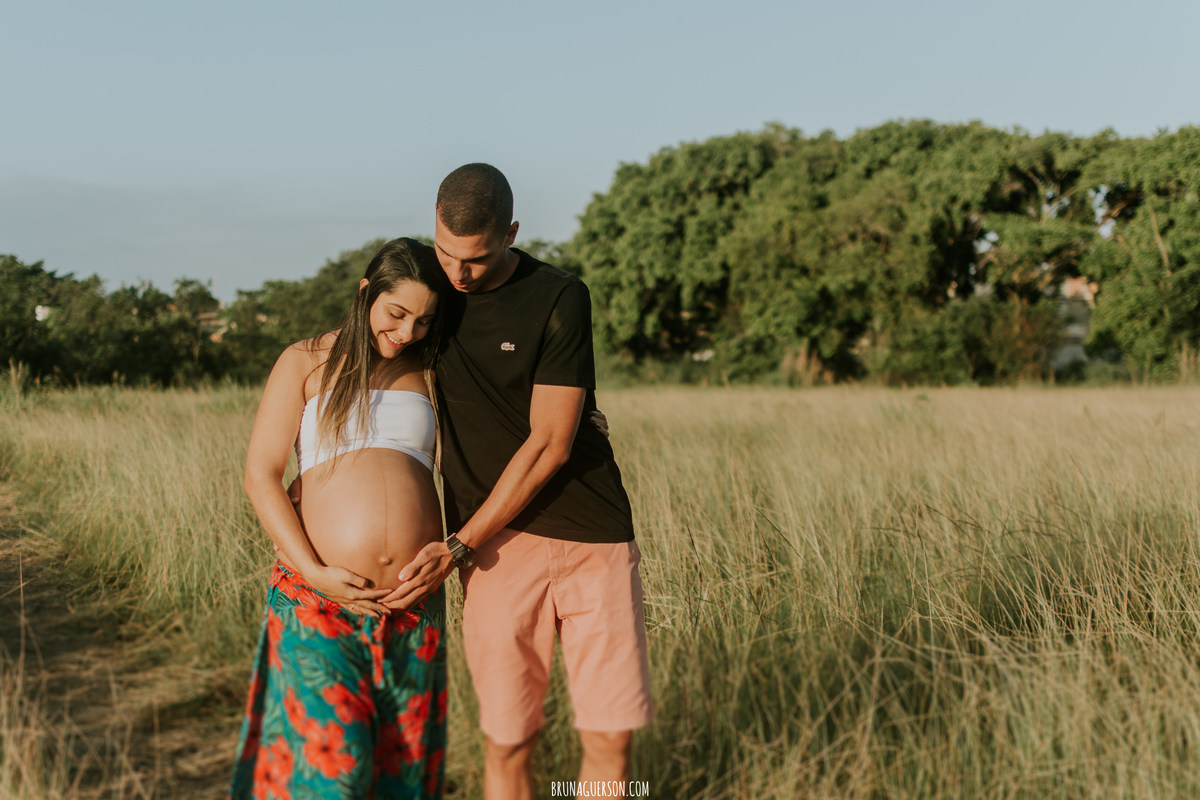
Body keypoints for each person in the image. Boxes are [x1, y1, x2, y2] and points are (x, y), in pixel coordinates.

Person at [382, 164, 653, 800]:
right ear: (434, 226)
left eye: (475, 259)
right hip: (495, 551)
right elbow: (370, 342)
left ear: (511, 233)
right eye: (446, 251)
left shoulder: (560, 296)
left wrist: (456, 545)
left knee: (610, 742)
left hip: (591, 537)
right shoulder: (429, 294)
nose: (457, 273)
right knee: (508, 741)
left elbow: (552, 442)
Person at [228, 237, 451, 799]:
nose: (407, 332)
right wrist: (313, 570)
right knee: (333, 774)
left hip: (413, 604)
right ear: (365, 292)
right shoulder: (305, 360)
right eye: (396, 313)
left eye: (424, 321)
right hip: (318, 597)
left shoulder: (433, 369)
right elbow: (260, 474)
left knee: (400, 776)